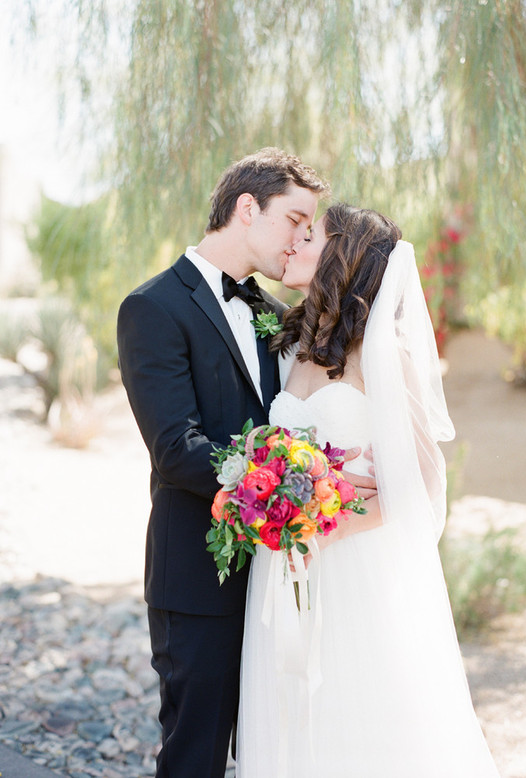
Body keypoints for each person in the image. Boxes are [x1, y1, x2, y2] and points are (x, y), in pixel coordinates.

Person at [237, 203, 502, 777]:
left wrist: (331, 523)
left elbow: (426, 478)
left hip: (355, 563)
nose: (296, 244)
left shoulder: (381, 352)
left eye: (311, 237)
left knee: (365, 711)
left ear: (340, 258)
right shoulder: (294, 346)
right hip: (287, 562)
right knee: (295, 716)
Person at [116, 148, 333, 778]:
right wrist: (291, 488)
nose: (302, 237)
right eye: (295, 218)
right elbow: (177, 450)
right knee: (197, 755)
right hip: (198, 578)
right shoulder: (153, 307)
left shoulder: (270, 313)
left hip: (277, 579)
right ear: (247, 208)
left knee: (271, 748)